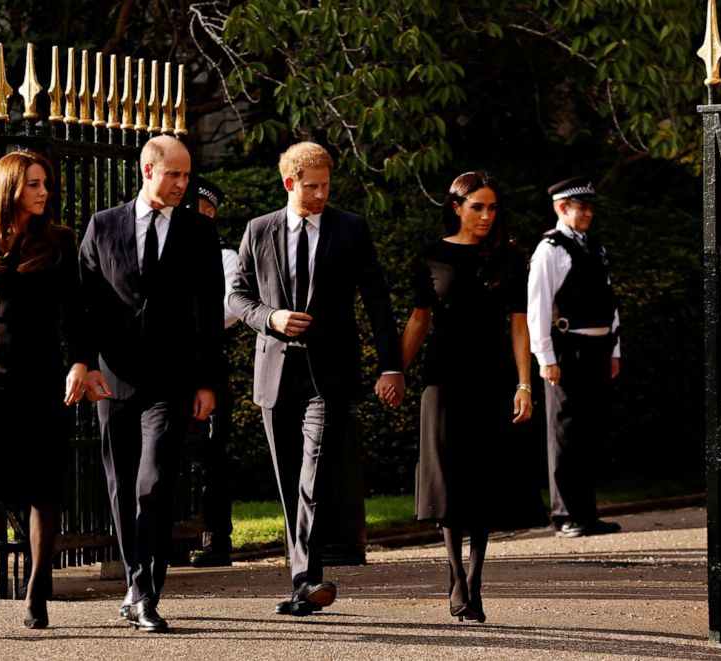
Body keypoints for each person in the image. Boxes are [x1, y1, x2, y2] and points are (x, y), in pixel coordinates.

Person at [229, 142, 404, 616]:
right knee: (289, 480)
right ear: (290, 183)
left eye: (327, 185)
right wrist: (272, 317)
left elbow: (377, 299)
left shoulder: (351, 228)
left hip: (329, 375)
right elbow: (238, 297)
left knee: (315, 474)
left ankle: (307, 577)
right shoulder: (258, 230)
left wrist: (392, 365)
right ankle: (301, 585)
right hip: (274, 373)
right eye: (313, 186)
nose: (322, 193)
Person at [79, 135, 224, 633]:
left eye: (188, 176)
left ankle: (143, 591)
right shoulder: (103, 225)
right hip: (113, 377)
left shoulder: (199, 233)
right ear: (148, 170)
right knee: (121, 486)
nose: (184, 185)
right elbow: (84, 305)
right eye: (174, 175)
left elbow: (208, 313)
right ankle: (138, 584)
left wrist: (208, 382)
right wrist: (83, 364)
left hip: (172, 378)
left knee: (154, 481)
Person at [0, 150, 88, 630]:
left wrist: (79, 363)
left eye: (45, 183)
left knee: (44, 488)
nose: (44, 191)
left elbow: (76, 312)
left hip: (47, 375)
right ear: (11, 187)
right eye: (33, 184)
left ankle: (35, 591)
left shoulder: (62, 242)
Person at [398, 170, 542, 624]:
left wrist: (524, 383)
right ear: (456, 206)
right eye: (477, 206)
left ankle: (473, 583)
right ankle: (455, 576)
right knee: (446, 481)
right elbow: (419, 320)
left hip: (493, 378)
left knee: (482, 483)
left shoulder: (509, 258)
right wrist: (393, 372)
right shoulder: (430, 257)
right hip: (443, 379)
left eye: (492, 207)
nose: (486, 215)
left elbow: (520, 325)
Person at [527, 175, 622, 539]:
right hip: (567, 351)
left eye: (590, 208)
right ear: (561, 208)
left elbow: (610, 302)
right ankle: (565, 514)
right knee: (564, 432)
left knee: (590, 432)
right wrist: (545, 358)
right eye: (580, 207)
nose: (587, 214)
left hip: (598, 349)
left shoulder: (594, 248)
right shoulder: (549, 250)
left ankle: (586, 512)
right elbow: (537, 308)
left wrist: (615, 349)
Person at [190, 176, 236, 568]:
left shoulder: (224, 256)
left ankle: (215, 539)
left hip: (207, 359)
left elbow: (232, 307)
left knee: (212, 455)